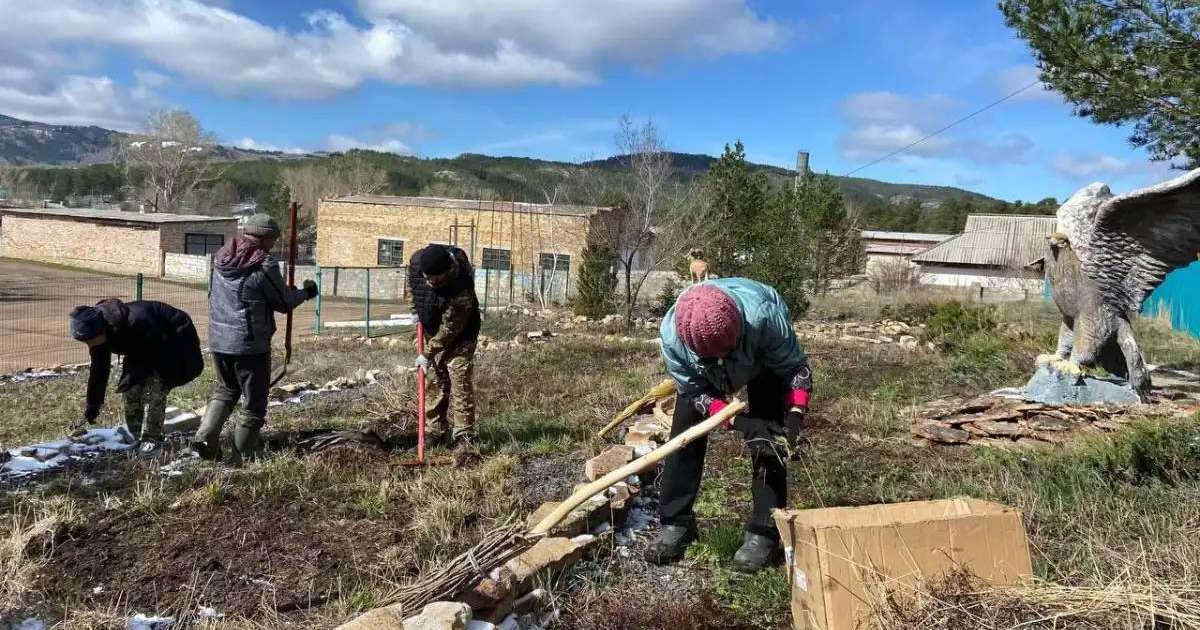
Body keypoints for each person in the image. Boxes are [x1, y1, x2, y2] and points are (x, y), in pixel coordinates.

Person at [646, 278, 813, 573]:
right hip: (702, 378)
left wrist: (795, 414)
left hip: (761, 361)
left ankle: (764, 532)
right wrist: (736, 420)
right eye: (716, 356)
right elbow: (695, 392)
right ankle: (675, 523)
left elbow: (795, 368)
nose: (724, 360)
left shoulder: (765, 317)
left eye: (728, 350)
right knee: (685, 436)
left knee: (770, 439)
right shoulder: (673, 338)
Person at [191, 213, 317, 463]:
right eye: (272, 240)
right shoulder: (262, 264)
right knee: (254, 402)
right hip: (249, 345)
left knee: (226, 389)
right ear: (265, 238)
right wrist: (306, 292)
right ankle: (242, 455)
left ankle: (204, 442)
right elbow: (283, 303)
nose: (273, 245)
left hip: (219, 339)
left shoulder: (220, 258)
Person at [69, 298, 204, 452]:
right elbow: (99, 370)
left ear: (100, 330)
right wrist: (93, 405)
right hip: (144, 348)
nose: (89, 345)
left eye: (89, 340)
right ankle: (135, 436)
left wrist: (135, 375)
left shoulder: (138, 321)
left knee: (154, 387)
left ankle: (151, 439)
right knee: (130, 389)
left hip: (174, 341)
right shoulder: (99, 334)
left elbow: (154, 356)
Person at [407, 243, 481, 453]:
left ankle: (464, 436)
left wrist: (427, 353)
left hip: (462, 333)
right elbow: (412, 286)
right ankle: (435, 432)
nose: (431, 282)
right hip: (431, 328)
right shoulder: (416, 264)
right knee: (434, 380)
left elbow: (450, 328)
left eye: (436, 279)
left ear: (447, 271)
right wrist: (415, 311)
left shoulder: (461, 286)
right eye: (428, 277)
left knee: (459, 377)